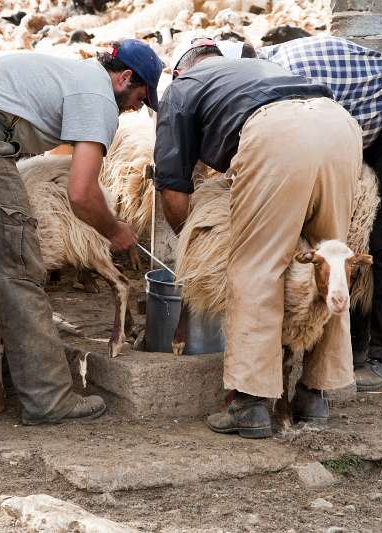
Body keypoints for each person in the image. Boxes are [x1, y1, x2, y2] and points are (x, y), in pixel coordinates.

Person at [0, 40, 164, 425]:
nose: (137, 107)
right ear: (125, 78)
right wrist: (115, 230)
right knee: (19, 263)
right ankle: (48, 398)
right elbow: (81, 193)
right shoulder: (97, 97)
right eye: (141, 96)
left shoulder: (73, 75)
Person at [154, 40, 363, 438]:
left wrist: (195, 244)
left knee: (256, 267)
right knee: (331, 260)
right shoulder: (260, 69)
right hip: (338, 125)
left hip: (277, 135)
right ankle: (315, 393)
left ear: (180, 70)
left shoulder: (181, 88)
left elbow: (172, 190)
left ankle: (249, 404)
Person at [224, 34, 382, 391]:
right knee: (345, 234)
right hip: (355, 123)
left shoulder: (283, 79)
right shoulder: (267, 72)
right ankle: (355, 347)